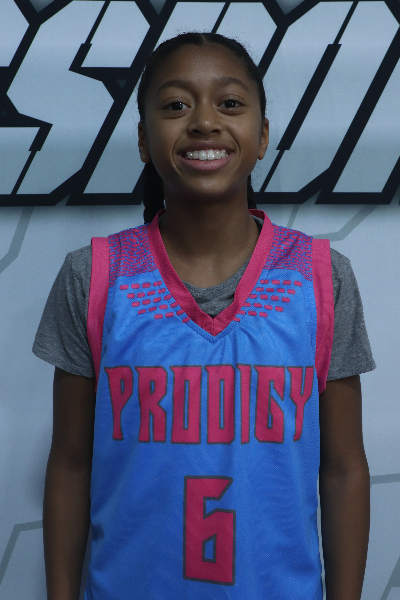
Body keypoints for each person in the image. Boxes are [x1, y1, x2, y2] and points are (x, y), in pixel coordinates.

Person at [33, 33, 375, 600]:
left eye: (230, 103)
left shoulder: (320, 277)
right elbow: (70, 464)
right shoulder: (94, 275)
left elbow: (342, 468)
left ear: (262, 135)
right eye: (176, 105)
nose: (204, 122)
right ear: (143, 140)